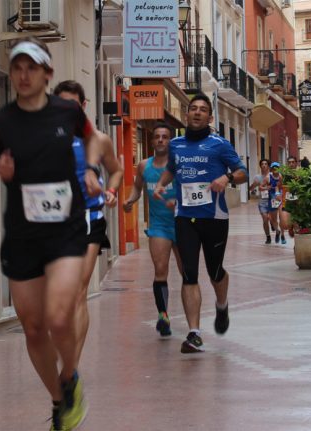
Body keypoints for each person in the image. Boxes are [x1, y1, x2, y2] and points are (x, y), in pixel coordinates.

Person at [0, 38, 101, 431]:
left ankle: (71, 376)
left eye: (31, 68)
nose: (23, 76)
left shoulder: (68, 112)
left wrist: (91, 169)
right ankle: (61, 399)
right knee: (32, 326)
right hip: (23, 234)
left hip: (66, 228)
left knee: (60, 318)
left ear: (47, 74)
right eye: (17, 68)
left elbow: (93, 137)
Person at [153, 93, 248, 353]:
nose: (196, 113)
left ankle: (222, 304)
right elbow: (172, 168)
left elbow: (243, 173)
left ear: (209, 116)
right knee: (189, 273)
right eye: (192, 108)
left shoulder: (220, 144)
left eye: (202, 110)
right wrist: (161, 184)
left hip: (214, 218)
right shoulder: (176, 145)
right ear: (186, 114)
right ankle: (194, 333)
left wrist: (226, 178)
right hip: (185, 217)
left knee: (215, 270)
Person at [54, 80, 123, 387]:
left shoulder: (99, 139)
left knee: (78, 293)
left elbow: (117, 170)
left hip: (87, 219)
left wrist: (110, 191)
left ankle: (71, 368)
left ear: (82, 106)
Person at [123, 123, 182, 336]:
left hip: (182, 223)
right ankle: (163, 315)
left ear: (170, 141)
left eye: (165, 137)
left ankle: (191, 316)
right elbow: (138, 187)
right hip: (158, 226)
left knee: (187, 273)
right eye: (157, 136)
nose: (160, 140)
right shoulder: (143, 166)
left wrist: (176, 201)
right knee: (160, 270)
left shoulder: (178, 165)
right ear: (152, 140)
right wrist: (130, 200)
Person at [249, 158, 277, 244]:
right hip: (262, 202)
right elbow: (252, 188)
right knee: (265, 218)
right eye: (262, 164)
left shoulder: (273, 175)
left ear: (268, 166)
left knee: (272, 219)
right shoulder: (258, 177)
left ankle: (273, 224)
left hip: (272, 200)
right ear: (260, 166)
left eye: (265, 164)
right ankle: (268, 237)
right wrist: (251, 187)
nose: (264, 165)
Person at [265, 162, 285, 244]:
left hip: (279, 198)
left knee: (281, 217)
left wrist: (279, 192)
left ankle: (283, 235)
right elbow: (261, 187)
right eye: (274, 168)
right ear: (271, 169)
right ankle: (277, 231)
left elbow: (282, 187)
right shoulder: (268, 177)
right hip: (272, 199)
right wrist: (267, 187)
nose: (275, 169)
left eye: (277, 168)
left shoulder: (281, 176)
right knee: (273, 219)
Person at [280, 156, 299, 237]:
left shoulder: (301, 174)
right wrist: (277, 194)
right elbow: (278, 186)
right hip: (286, 202)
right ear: (287, 164)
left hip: (297, 203)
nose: (291, 164)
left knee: (297, 226)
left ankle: (297, 245)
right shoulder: (283, 175)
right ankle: (290, 226)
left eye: (293, 162)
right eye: (289, 162)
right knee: (285, 225)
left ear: (296, 163)